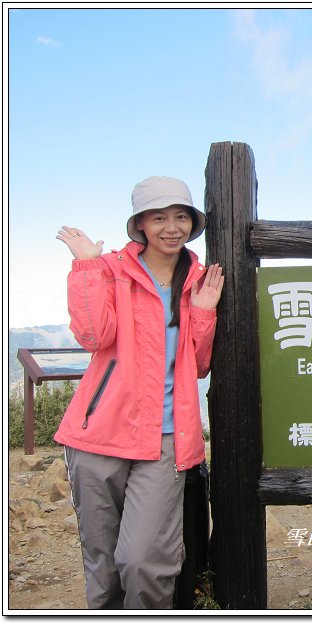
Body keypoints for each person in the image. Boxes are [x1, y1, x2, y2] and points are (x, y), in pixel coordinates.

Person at [54, 176, 224, 609]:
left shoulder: (200, 280)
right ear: (141, 225)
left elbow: (200, 364)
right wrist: (87, 266)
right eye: (159, 217)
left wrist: (203, 312)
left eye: (181, 216)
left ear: (193, 223)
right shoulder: (110, 270)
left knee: (144, 559)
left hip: (165, 439)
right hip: (99, 435)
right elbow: (94, 337)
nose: (172, 227)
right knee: (103, 560)